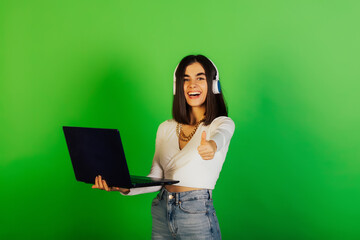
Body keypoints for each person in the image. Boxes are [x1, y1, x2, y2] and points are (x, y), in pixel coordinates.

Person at [92, 54, 235, 239]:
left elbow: (221, 136)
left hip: (195, 213)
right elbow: (156, 179)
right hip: (161, 211)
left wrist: (212, 146)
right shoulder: (165, 128)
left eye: (200, 78)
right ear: (178, 87)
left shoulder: (221, 123)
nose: (192, 85)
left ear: (213, 85)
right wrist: (123, 187)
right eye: (186, 80)